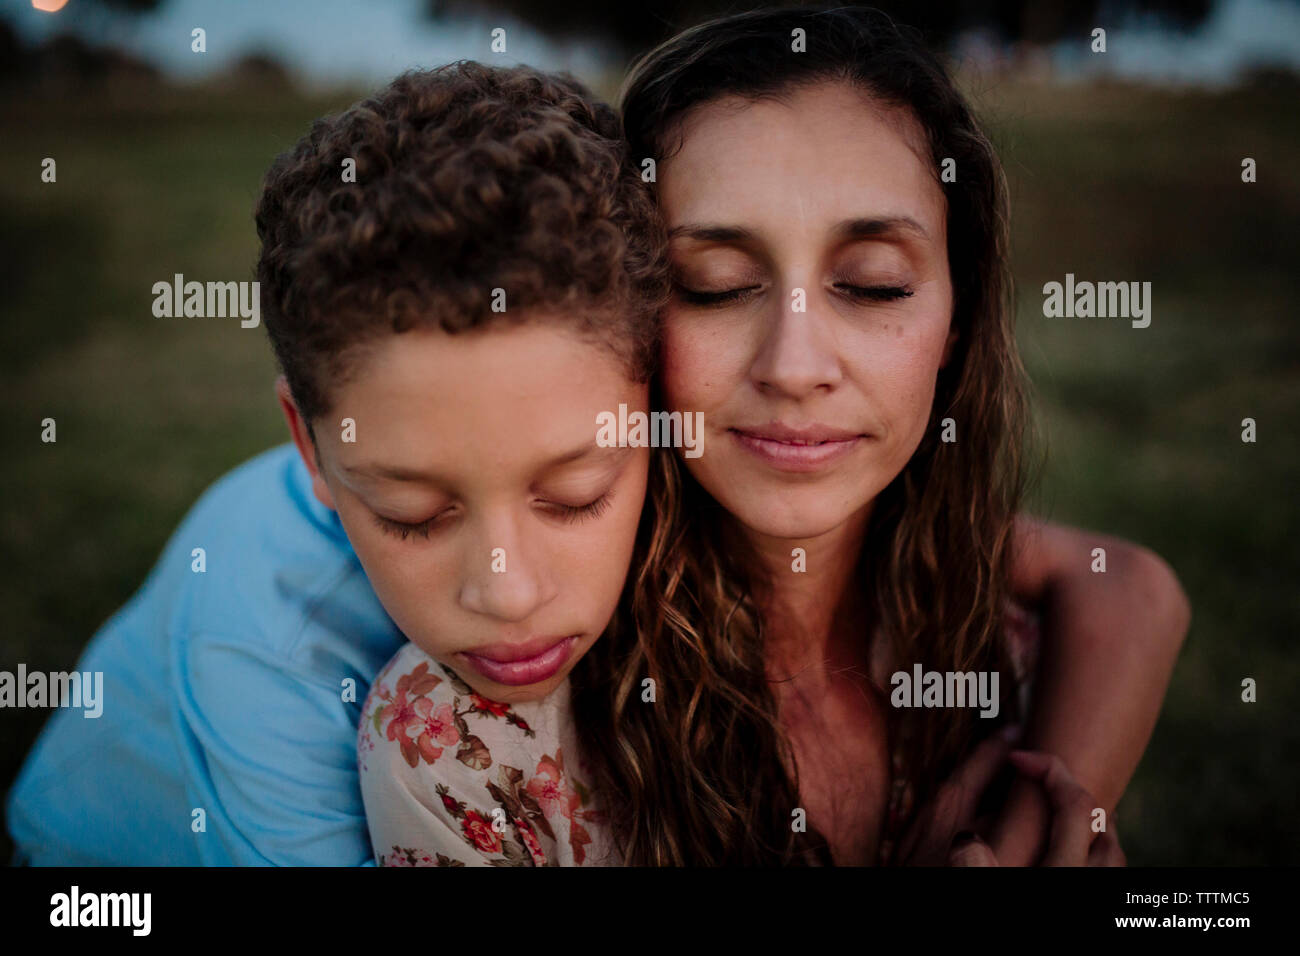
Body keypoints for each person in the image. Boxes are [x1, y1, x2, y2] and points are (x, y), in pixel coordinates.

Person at [359, 8, 1189, 867]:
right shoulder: (474, 741)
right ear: (620, 313)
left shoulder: (1002, 637)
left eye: (873, 285)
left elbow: (1134, 585)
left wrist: (1034, 818)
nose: (795, 366)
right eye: (714, 285)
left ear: (957, 319)